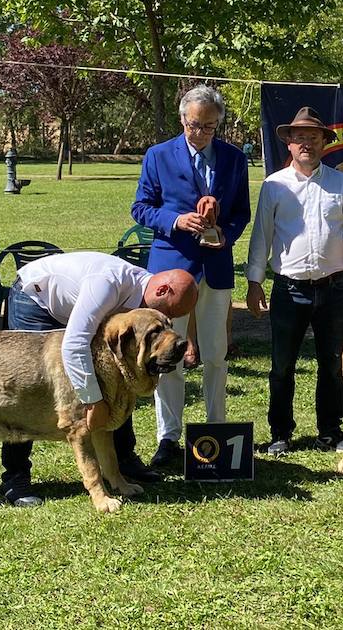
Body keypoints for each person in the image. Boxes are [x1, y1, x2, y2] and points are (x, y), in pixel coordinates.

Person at [0, 252, 198, 507]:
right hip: (36, 300)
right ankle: (16, 477)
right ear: (162, 290)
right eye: (169, 312)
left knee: (119, 381)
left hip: (76, 314)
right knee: (27, 387)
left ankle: (121, 465)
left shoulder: (140, 302)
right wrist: (94, 401)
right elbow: (74, 344)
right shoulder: (107, 285)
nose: (167, 326)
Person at [131, 84, 250, 469]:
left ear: (219, 124)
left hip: (215, 269)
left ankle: (217, 429)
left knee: (216, 353)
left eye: (209, 127)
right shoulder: (158, 155)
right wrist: (177, 220)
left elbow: (241, 213)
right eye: (194, 125)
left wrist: (224, 235)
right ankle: (168, 437)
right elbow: (141, 208)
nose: (200, 133)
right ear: (182, 119)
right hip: (170, 271)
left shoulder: (235, 159)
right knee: (168, 356)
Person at [246, 107, 343, 455]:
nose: (306, 144)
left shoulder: (340, 183)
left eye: (313, 138)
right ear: (289, 143)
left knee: (333, 364)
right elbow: (262, 235)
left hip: (333, 289)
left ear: (323, 143)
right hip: (289, 288)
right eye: (299, 137)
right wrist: (255, 282)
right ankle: (280, 434)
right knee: (282, 366)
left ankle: (330, 432)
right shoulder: (274, 185)